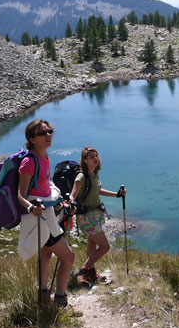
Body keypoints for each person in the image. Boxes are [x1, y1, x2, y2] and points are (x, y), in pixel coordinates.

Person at [17, 118, 75, 307]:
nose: (48, 135)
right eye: (43, 133)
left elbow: (45, 185)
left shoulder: (45, 157)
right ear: (32, 139)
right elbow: (21, 194)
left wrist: (60, 201)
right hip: (41, 219)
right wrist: (31, 208)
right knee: (68, 257)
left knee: (46, 256)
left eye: (49, 131)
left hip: (48, 215)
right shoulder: (29, 162)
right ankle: (59, 300)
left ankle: (43, 301)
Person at [69, 146, 126, 285]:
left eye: (96, 156)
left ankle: (91, 273)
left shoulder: (94, 175)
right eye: (91, 157)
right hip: (86, 217)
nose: (95, 159)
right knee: (105, 247)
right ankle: (84, 270)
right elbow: (73, 194)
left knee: (92, 243)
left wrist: (117, 195)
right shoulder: (81, 176)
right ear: (85, 160)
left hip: (95, 215)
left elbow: (98, 190)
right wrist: (70, 204)